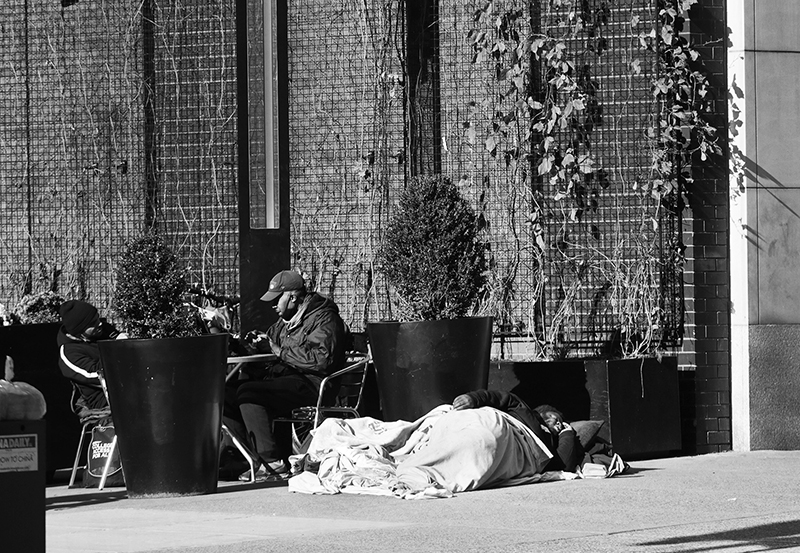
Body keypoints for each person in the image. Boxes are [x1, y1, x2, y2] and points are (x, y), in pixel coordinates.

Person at [227, 270, 347, 482]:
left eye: (276, 299)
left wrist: (279, 351)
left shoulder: (325, 319)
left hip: (313, 384)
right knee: (225, 395)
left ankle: (271, 462)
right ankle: (248, 458)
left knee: (249, 392)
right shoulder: (283, 323)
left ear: (292, 297)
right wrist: (247, 347)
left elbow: (322, 360)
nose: (272, 305)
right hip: (285, 381)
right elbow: (274, 345)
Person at [452, 390, 583, 472]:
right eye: (554, 417)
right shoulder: (523, 410)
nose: (558, 423)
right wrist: (473, 398)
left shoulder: (550, 447)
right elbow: (501, 397)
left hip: (509, 452)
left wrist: (567, 431)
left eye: (561, 423)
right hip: (497, 426)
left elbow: (565, 464)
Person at [57, 299, 121, 412]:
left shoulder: (104, 330)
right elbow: (97, 376)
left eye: (97, 317)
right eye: (92, 323)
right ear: (79, 331)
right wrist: (118, 349)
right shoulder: (69, 353)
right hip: (105, 403)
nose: (99, 323)